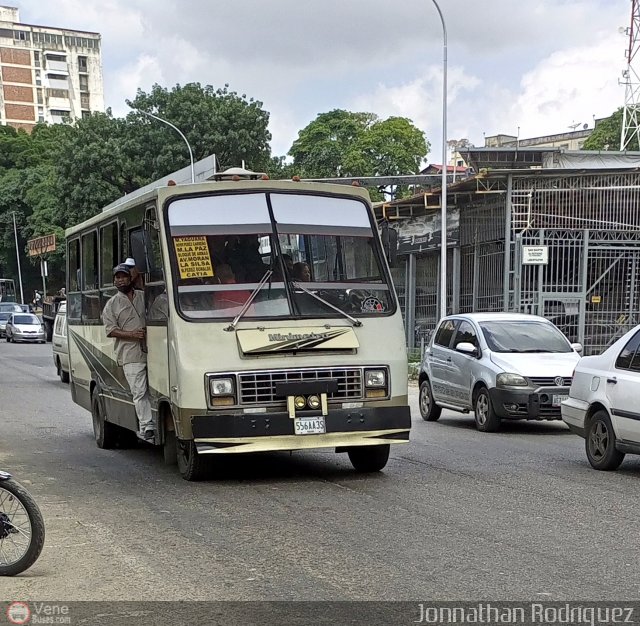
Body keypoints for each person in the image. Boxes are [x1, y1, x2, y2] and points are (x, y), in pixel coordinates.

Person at [101, 263, 155, 441]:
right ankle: (147, 426)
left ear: (130, 278)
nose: (120, 280)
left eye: (124, 276)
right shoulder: (112, 304)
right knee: (139, 391)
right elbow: (110, 330)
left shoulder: (143, 296)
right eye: (117, 277)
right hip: (130, 354)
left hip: (154, 351)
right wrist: (131, 334)